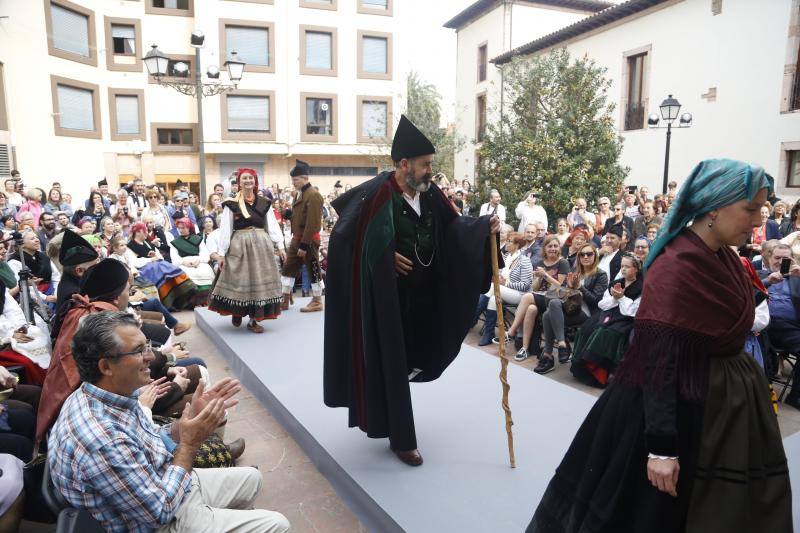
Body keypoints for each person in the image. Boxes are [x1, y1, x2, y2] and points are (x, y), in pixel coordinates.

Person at [526, 159, 791, 533]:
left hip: (720, 409)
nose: (758, 220)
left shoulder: (725, 257)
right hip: (678, 409)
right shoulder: (677, 265)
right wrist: (662, 448)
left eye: (762, 209)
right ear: (715, 206)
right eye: (750, 208)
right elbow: (659, 358)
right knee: (650, 513)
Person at [324, 115, 499, 466]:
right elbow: (344, 242)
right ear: (404, 164)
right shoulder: (377, 195)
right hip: (389, 303)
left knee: (415, 359)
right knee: (388, 363)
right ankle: (401, 438)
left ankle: (395, 419)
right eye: (425, 165)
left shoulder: (429, 193)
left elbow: (455, 227)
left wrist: (484, 228)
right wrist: (382, 257)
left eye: (431, 164)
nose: (430, 171)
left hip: (425, 298)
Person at [48, 311, 290, 532]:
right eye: (139, 350)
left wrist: (183, 424)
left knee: (252, 479)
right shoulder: (100, 438)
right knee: (278, 525)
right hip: (158, 520)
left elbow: (145, 439)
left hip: (161, 481)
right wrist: (189, 443)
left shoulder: (107, 393)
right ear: (105, 366)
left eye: (147, 346)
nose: (150, 356)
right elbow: (159, 512)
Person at [209, 169, 286, 333]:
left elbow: (271, 225)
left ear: (255, 180)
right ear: (239, 181)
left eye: (251, 177)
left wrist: (280, 246)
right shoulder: (232, 203)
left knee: (258, 282)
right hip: (239, 245)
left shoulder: (264, 202)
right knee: (239, 280)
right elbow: (226, 228)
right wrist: (222, 253)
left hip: (261, 246)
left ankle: (253, 320)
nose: (248, 180)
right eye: (244, 178)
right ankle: (237, 311)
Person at [570, 252, 643, 387]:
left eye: (627, 266)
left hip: (625, 320)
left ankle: (598, 375)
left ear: (636, 269)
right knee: (587, 327)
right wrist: (615, 298)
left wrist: (621, 298)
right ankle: (581, 368)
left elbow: (632, 312)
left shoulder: (641, 287)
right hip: (608, 313)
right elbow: (602, 304)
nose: (623, 269)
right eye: (622, 266)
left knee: (605, 333)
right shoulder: (616, 283)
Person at [538, 243, 608, 365]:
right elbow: (563, 293)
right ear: (579, 257)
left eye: (589, 254)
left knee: (548, 313)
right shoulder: (575, 272)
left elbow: (596, 301)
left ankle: (549, 354)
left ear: (595, 256)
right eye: (582, 254)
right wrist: (569, 287)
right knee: (550, 310)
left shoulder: (600, 274)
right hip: (569, 308)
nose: (585, 257)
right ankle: (558, 346)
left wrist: (580, 287)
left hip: (587, 313)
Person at [505, 235, 570, 363]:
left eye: (555, 246)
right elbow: (534, 287)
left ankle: (511, 332)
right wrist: (539, 277)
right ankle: (524, 348)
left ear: (559, 248)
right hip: (540, 297)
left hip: (555, 300)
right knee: (531, 308)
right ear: (544, 248)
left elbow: (560, 286)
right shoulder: (541, 263)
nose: (552, 249)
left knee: (528, 296)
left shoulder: (563, 262)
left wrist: (545, 275)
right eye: (549, 246)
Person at [280, 160, 325, 313]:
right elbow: (301, 217)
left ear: (305, 178)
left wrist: (304, 245)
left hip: (308, 240)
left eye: (296, 179)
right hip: (297, 238)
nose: (293, 182)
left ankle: (317, 300)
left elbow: (312, 223)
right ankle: (284, 298)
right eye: (292, 180)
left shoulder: (313, 195)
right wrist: (289, 215)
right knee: (288, 268)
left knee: (313, 269)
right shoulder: (300, 193)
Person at [760, 243, 800, 410]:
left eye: (786, 259)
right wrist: (767, 281)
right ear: (769, 258)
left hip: (791, 329)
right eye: (777, 258)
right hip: (764, 328)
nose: (780, 262)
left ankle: (796, 396)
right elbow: (746, 292)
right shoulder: (759, 275)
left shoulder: (796, 279)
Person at [477, 232, 532, 346]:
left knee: (493, 287)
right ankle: (489, 334)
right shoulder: (506, 257)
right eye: (507, 240)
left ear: (517, 245)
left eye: (509, 241)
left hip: (520, 295)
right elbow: (500, 275)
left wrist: (505, 283)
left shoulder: (524, 260)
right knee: (492, 299)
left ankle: (472, 317)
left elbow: (525, 285)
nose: (506, 243)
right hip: (503, 291)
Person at [169, 218, 214, 303]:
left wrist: (198, 260)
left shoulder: (198, 239)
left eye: (183, 228)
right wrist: (183, 262)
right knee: (185, 274)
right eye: (179, 228)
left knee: (206, 271)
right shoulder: (174, 243)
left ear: (189, 227)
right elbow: (174, 259)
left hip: (199, 262)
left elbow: (205, 254)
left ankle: (206, 300)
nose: (181, 230)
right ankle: (191, 302)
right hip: (183, 263)